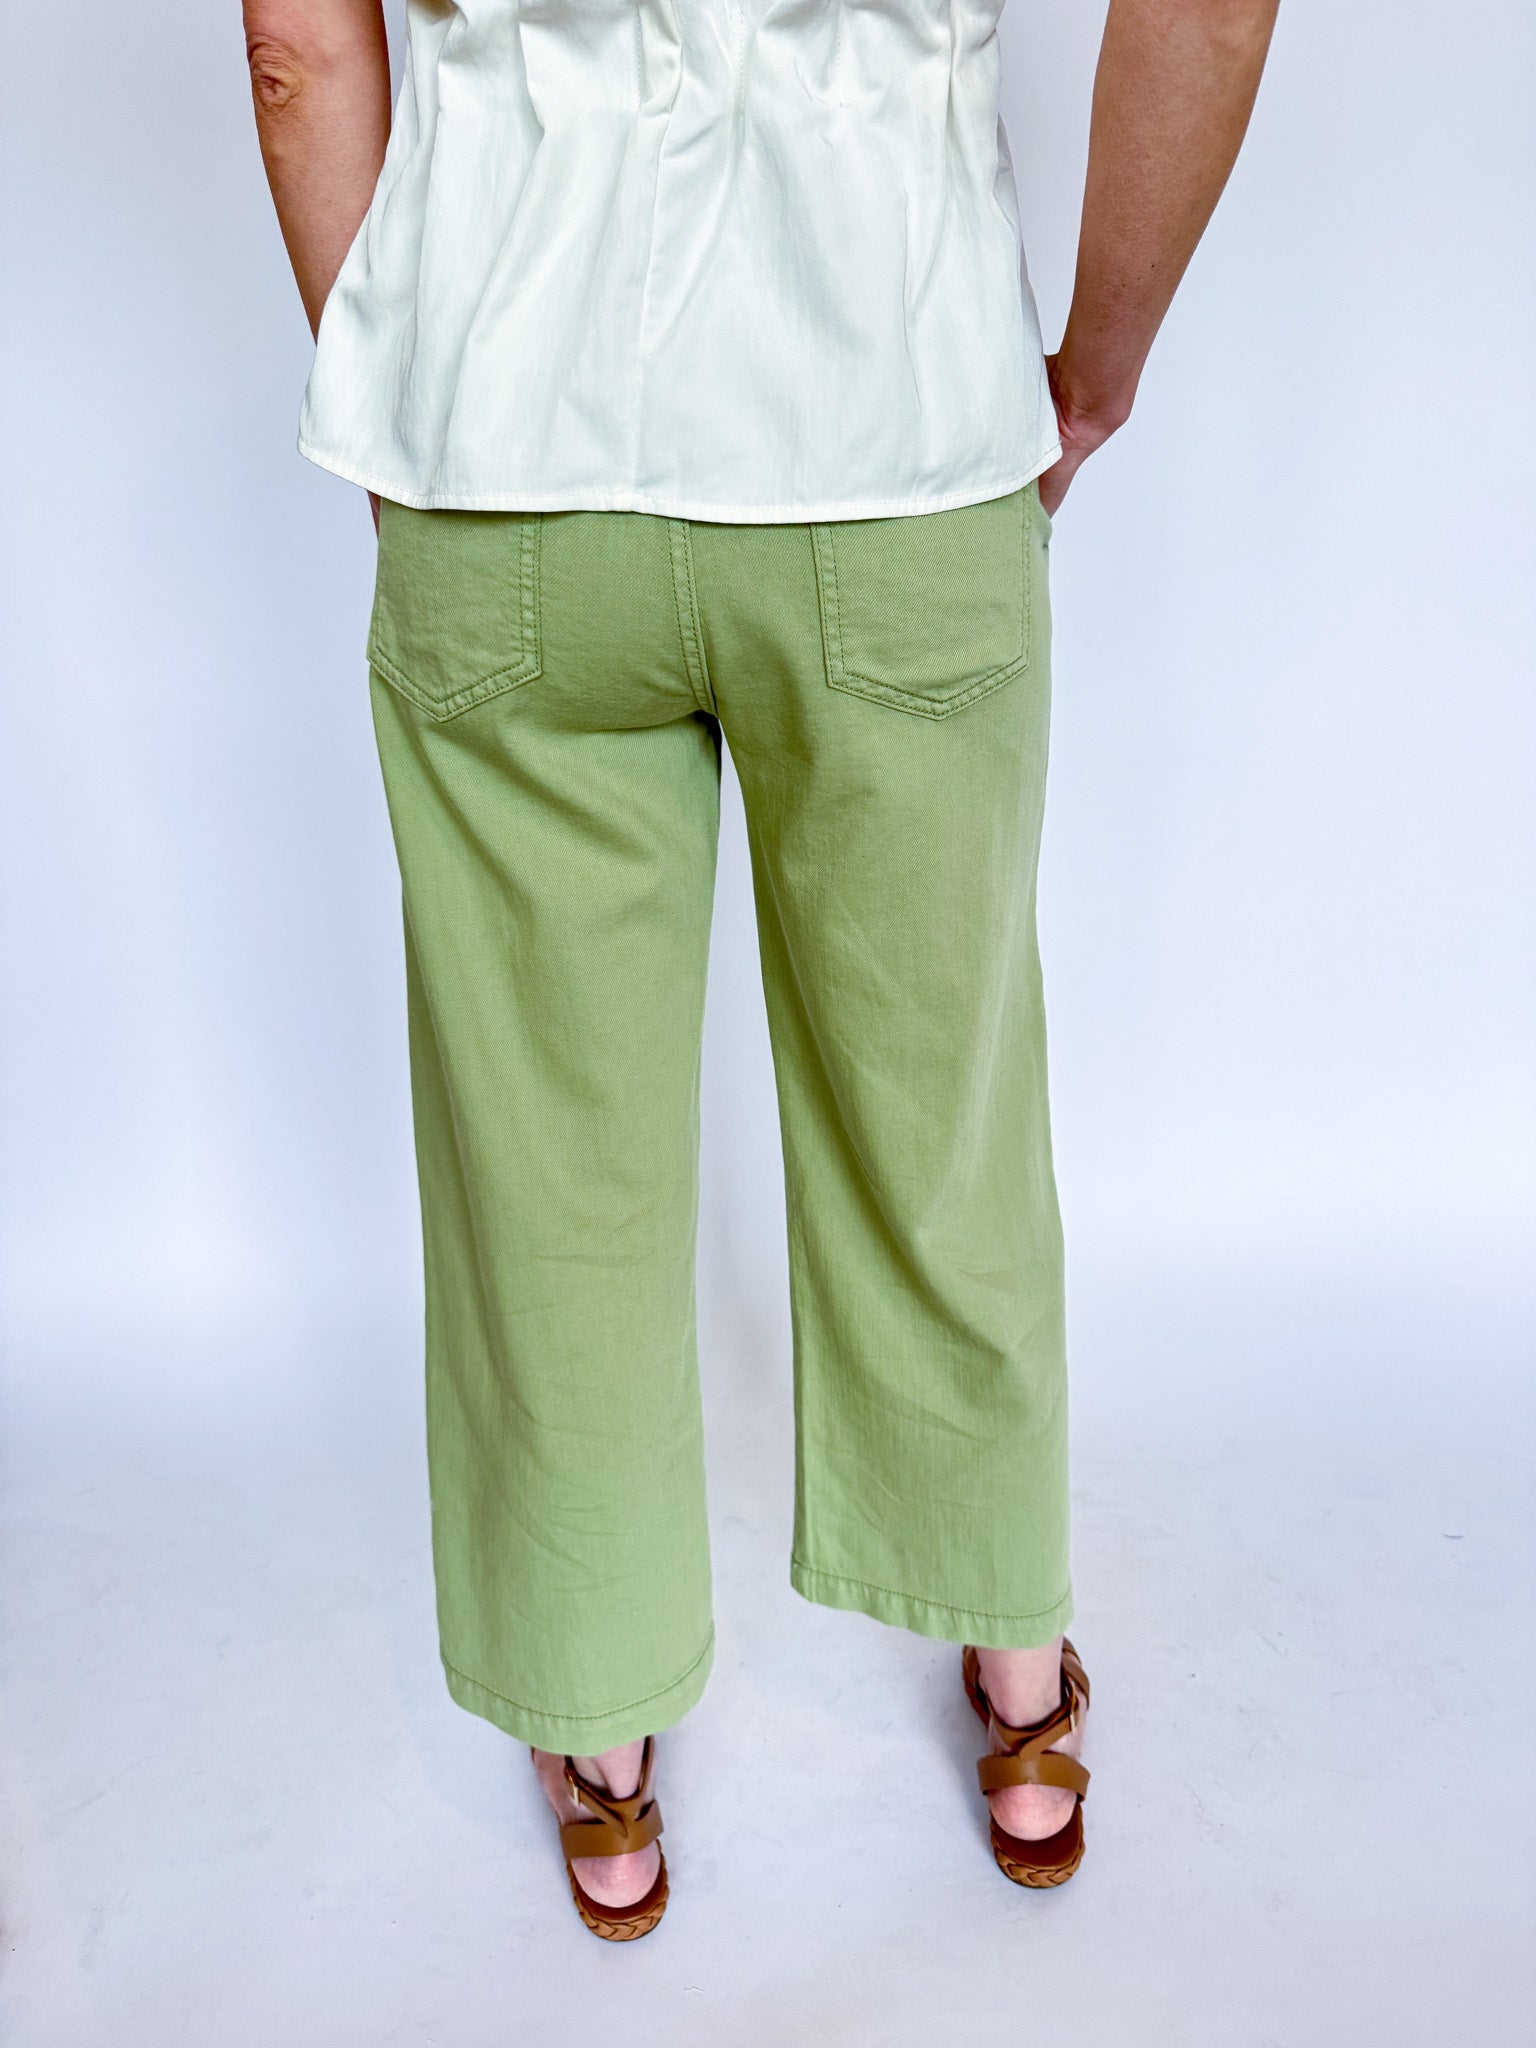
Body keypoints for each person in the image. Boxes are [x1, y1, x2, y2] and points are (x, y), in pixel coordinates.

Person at [244, 0, 1276, 1939]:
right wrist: (1099, 361)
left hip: (508, 451)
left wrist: (397, 365)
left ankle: (604, 1755)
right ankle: (1020, 1680)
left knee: (548, 1149)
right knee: (942, 1094)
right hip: (901, 429)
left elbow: (295, 42)